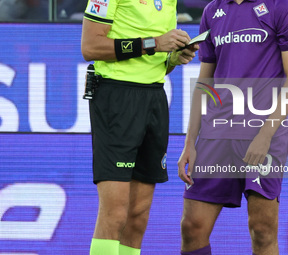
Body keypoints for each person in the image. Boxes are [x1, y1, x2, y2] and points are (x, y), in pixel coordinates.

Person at [178, 0, 288, 254]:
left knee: (262, 229)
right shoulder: (211, 11)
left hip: (262, 132)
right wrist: (190, 141)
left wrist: (266, 134)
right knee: (192, 227)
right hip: (217, 134)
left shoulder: (281, 7)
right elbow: (205, 81)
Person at [81, 0, 199, 254]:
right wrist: (154, 43)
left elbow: (157, 61)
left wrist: (174, 58)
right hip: (116, 96)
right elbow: (90, 46)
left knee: (138, 216)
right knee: (114, 214)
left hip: (155, 96)